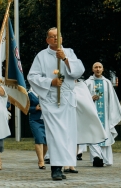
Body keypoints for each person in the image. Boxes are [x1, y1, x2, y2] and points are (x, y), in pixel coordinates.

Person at [27, 27, 85, 180]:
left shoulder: (69, 52)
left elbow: (78, 71)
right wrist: (50, 82)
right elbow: (32, 76)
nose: (55, 39)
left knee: (67, 134)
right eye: (52, 37)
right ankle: (55, 168)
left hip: (67, 100)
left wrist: (65, 59)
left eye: (57, 36)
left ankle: (65, 164)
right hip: (51, 100)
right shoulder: (41, 56)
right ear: (47, 40)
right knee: (54, 134)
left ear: (62, 38)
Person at [84, 62, 121, 167]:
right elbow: (82, 99)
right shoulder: (87, 83)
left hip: (105, 116)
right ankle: (97, 159)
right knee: (94, 135)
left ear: (103, 69)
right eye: (95, 67)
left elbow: (112, 99)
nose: (98, 69)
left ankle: (107, 159)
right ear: (92, 69)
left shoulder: (107, 83)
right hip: (92, 115)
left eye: (99, 67)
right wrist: (90, 98)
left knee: (105, 135)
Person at [28, 88, 48, 170]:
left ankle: (42, 158)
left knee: (46, 141)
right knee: (39, 139)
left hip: (47, 120)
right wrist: (35, 108)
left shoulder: (47, 91)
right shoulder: (29, 94)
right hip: (35, 120)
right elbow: (25, 108)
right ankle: (41, 161)